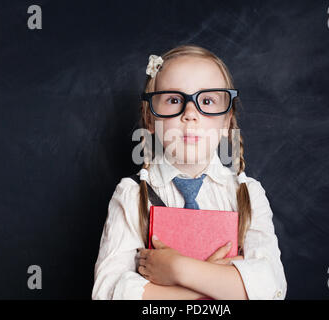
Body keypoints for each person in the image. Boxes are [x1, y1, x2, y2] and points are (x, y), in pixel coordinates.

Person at [91, 44, 287, 300]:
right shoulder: (131, 196)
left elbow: (270, 290)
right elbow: (108, 293)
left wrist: (177, 269)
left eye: (207, 101)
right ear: (150, 119)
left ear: (226, 120)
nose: (190, 114)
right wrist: (216, 285)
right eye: (174, 100)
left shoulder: (247, 194)